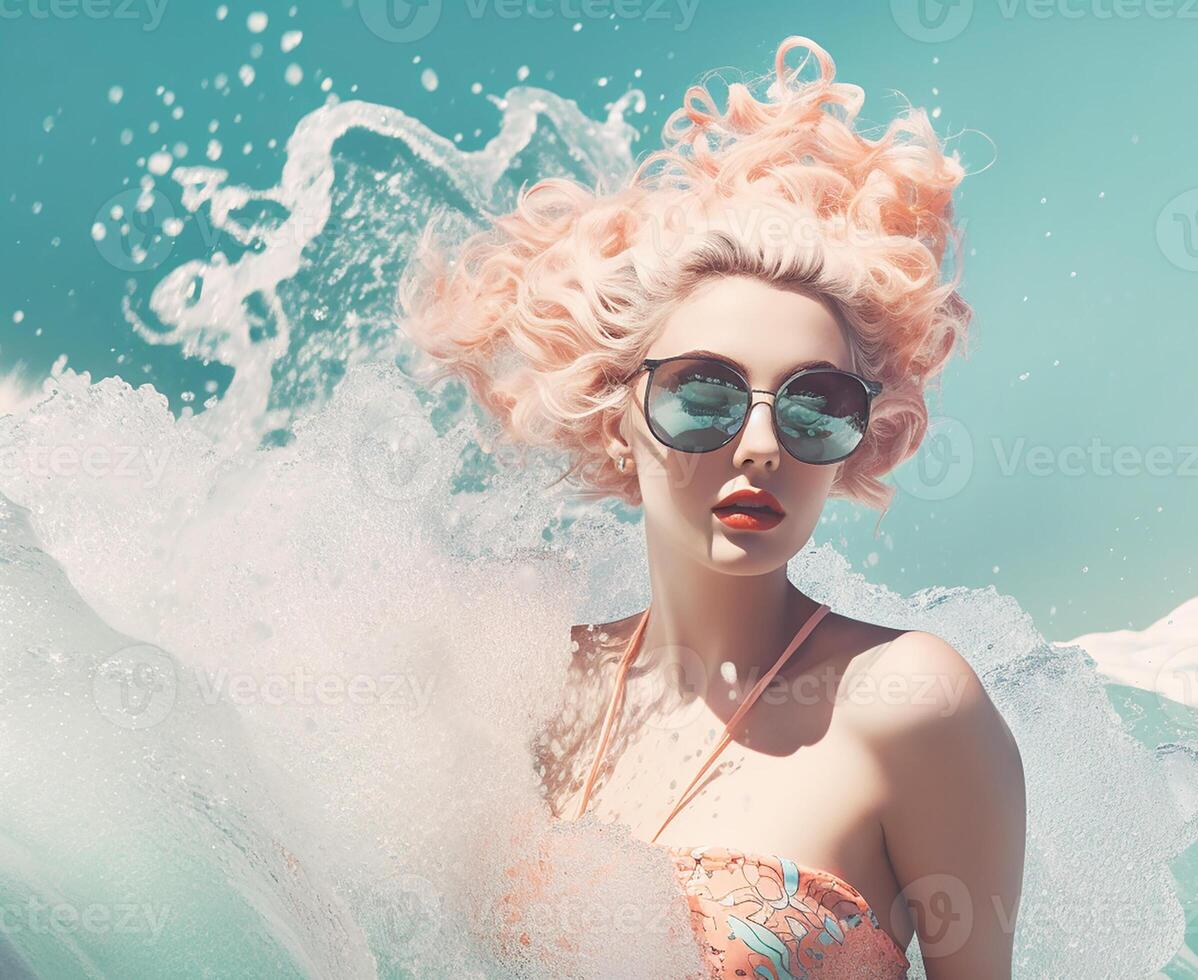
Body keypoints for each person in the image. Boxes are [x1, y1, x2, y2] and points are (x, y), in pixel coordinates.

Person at [398, 34, 1025, 979]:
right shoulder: (523, 691)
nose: (763, 444)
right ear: (622, 422)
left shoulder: (910, 705)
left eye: (816, 406)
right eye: (704, 395)